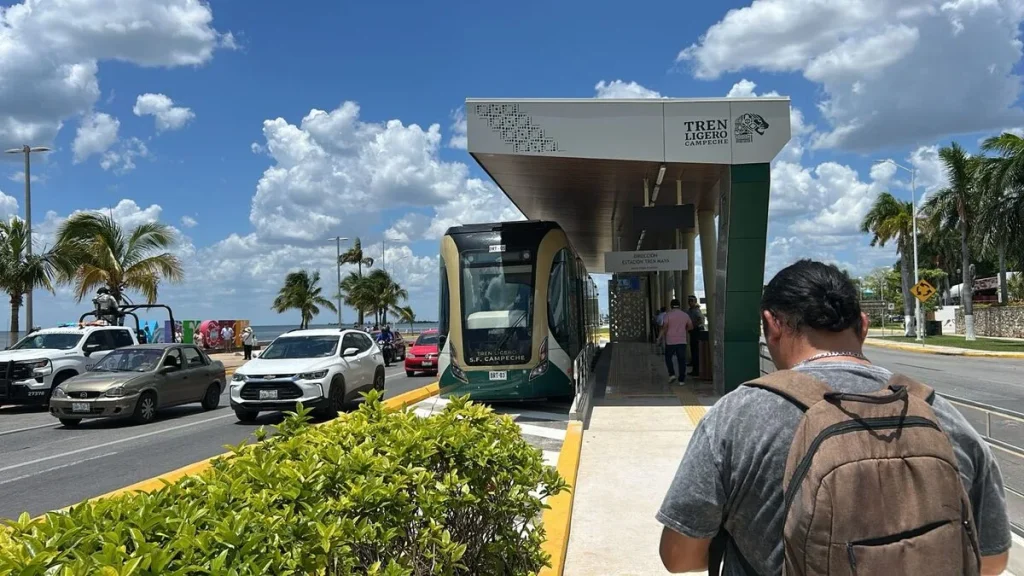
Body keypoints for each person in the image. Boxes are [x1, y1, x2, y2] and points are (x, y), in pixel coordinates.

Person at [656, 259, 1011, 575]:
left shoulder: (738, 415)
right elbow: (992, 560)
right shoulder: (939, 412)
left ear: (771, 325)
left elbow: (679, 556)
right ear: (864, 325)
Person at [658, 299, 692, 384]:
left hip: (670, 341)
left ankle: (672, 374)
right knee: (681, 360)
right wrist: (684, 330)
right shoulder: (685, 315)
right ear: (679, 305)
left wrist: (659, 338)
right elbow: (691, 327)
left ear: (671, 306)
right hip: (682, 340)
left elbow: (664, 328)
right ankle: (681, 380)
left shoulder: (668, 315)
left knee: (668, 357)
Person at [686, 295, 705, 376]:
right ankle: (695, 368)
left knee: (696, 351)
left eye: (691, 301)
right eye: (689, 300)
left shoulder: (696, 311)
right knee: (693, 350)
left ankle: (696, 370)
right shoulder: (690, 310)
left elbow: (700, 320)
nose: (690, 302)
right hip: (692, 332)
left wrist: (693, 326)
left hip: (696, 332)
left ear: (695, 301)